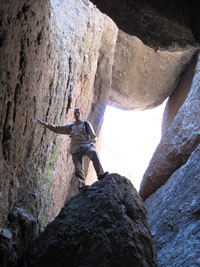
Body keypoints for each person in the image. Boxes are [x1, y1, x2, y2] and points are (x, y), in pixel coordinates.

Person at [37, 108, 108, 190]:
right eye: (75, 113)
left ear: (81, 114)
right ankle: (82, 186)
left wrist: (92, 143)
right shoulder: (71, 127)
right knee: (78, 168)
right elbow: (57, 128)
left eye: (78, 113)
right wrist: (45, 124)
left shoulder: (86, 124)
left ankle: (100, 175)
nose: (76, 114)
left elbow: (93, 136)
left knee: (94, 153)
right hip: (75, 149)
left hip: (85, 146)